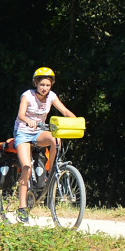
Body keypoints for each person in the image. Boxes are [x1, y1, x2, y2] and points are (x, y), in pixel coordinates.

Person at [12, 67, 73, 220]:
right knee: (26, 166)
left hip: (39, 132)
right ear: (36, 84)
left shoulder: (52, 96)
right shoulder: (27, 96)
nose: (45, 88)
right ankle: (22, 207)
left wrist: (77, 122)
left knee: (56, 139)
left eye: (48, 85)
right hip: (23, 132)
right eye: (42, 85)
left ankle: (52, 172)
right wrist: (29, 121)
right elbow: (20, 114)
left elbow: (65, 111)